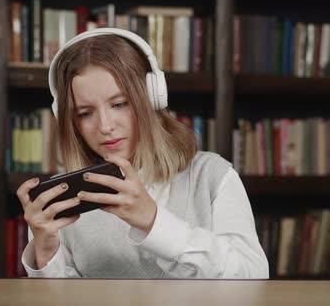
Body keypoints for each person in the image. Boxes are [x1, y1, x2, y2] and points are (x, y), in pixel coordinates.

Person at [16, 28, 269, 278]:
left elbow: (253, 277)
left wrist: (153, 221)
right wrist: (46, 251)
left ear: (152, 97)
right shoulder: (64, 199)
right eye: (85, 113)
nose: (105, 126)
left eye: (119, 104)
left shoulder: (212, 176)